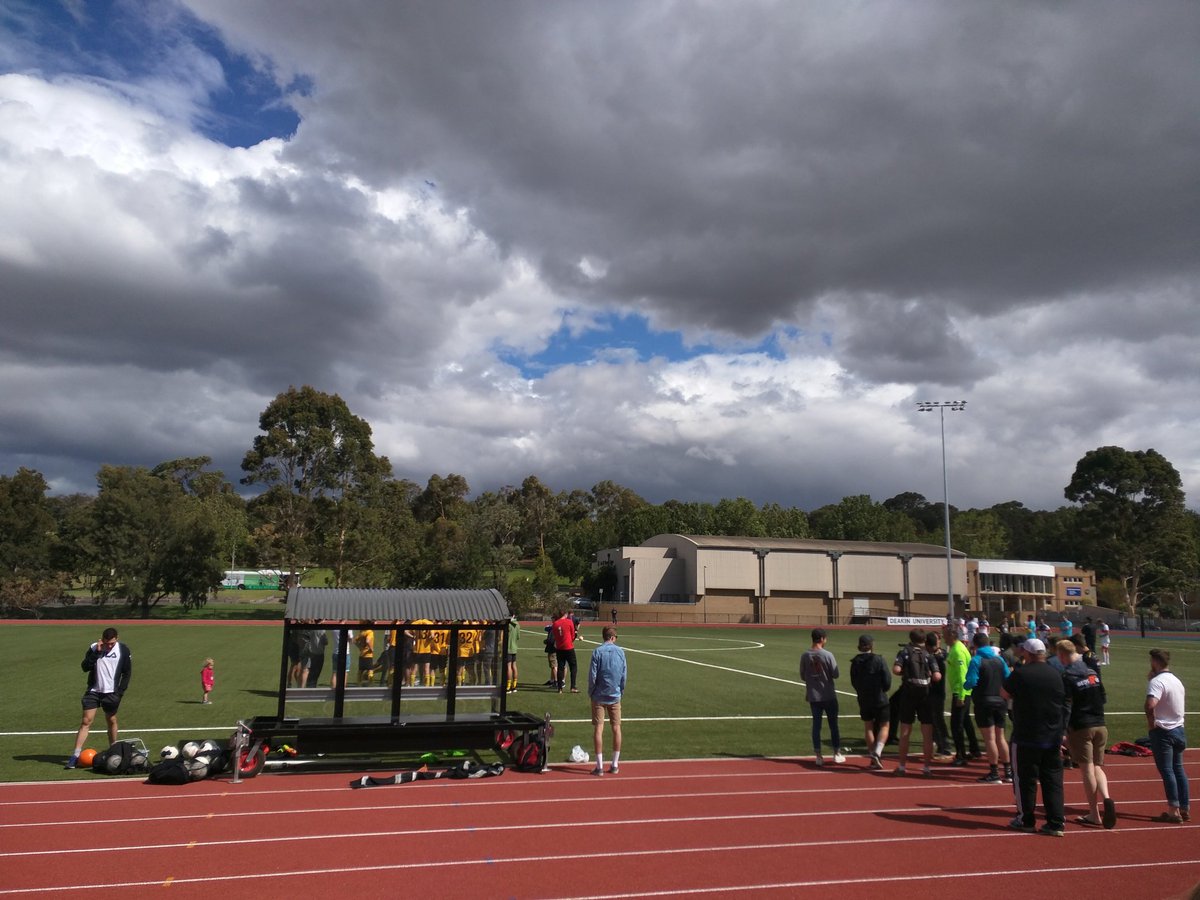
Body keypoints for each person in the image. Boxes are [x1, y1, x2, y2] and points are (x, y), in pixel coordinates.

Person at [1001, 638, 1066, 836]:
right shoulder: (1056, 673)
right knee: (1052, 780)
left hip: (1027, 735)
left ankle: (1026, 819)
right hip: (1052, 734)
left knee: (1025, 779)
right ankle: (1056, 822)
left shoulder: (1021, 673)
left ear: (1027, 654)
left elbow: (1004, 693)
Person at [1058, 639, 1115, 829]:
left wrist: (1061, 731)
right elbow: (1103, 697)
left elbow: (1066, 706)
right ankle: (1107, 797)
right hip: (1100, 723)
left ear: (1062, 655)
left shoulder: (1068, 676)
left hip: (1081, 726)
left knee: (1087, 769)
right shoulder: (1092, 673)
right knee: (1098, 767)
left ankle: (1094, 813)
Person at [65, 627, 132, 768]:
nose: (109, 646)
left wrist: (120, 693)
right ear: (102, 639)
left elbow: (127, 673)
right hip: (93, 691)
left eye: (112, 644)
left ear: (117, 639)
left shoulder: (123, 650)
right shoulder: (94, 648)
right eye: (107, 643)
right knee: (86, 721)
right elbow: (85, 667)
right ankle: (75, 755)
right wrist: (97, 652)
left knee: (111, 719)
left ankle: (114, 750)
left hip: (112, 693)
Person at [1145, 648, 1190, 823]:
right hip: (1179, 729)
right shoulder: (1176, 680)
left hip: (1163, 731)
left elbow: (1150, 704)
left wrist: (1151, 722)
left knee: (1167, 770)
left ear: (1155, 662)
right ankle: (1184, 807)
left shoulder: (1157, 682)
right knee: (1179, 769)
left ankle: (1173, 810)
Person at [892, 629, 941, 776]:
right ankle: (926, 768)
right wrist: (930, 676)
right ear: (924, 640)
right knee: (927, 732)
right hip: (925, 693)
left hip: (909, 692)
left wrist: (905, 672)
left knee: (905, 730)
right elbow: (937, 676)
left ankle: (901, 766)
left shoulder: (905, 652)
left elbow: (896, 669)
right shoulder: (929, 655)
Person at [965, 632, 1011, 784]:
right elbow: (1008, 677)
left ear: (975, 645)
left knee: (990, 738)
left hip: (984, 701)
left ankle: (994, 772)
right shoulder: (999, 659)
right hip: (1000, 701)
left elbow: (971, 682)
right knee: (1000, 737)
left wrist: (966, 685)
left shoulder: (976, 660)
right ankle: (1008, 771)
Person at [800, 628, 844, 765]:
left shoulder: (805, 655)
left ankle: (818, 755)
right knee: (833, 725)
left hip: (814, 695)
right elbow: (836, 674)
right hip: (829, 694)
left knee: (816, 725)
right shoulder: (828, 655)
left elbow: (802, 675)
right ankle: (836, 752)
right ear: (823, 638)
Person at [588, 626, 627, 776]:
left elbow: (592, 675)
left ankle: (599, 766)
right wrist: (620, 691)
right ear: (612, 637)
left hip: (599, 695)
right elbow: (624, 675)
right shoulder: (621, 652)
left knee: (599, 729)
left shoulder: (597, 652)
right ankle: (615, 763)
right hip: (614, 695)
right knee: (616, 728)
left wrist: (591, 691)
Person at [849, 634, 891, 769]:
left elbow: (854, 681)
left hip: (864, 698)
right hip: (879, 697)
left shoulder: (855, 661)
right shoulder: (879, 659)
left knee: (868, 726)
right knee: (884, 725)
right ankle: (877, 752)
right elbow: (887, 681)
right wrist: (883, 689)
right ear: (871, 646)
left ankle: (873, 756)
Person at [944, 628, 979, 766]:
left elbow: (962, 674)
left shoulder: (958, 651)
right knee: (965, 721)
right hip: (963, 691)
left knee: (956, 724)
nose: (943, 638)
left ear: (951, 636)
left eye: (945, 635)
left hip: (961, 692)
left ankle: (961, 755)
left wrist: (961, 695)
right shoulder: (957, 648)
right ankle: (974, 749)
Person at [925, 631, 952, 758]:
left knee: (937, 719)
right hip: (937, 692)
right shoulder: (941, 654)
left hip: (935, 691)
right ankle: (938, 742)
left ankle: (945, 746)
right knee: (933, 718)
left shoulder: (935, 657)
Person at [552, 609, 579, 693]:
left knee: (560, 667)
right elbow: (573, 635)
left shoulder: (555, 623)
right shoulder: (569, 622)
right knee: (573, 667)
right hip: (568, 647)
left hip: (559, 648)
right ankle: (573, 687)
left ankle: (560, 688)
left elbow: (555, 636)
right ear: (565, 614)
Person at [506, 614, 520, 693]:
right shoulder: (517, 624)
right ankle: (514, 685)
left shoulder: (508, 624)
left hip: (508, 648)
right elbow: (518, 637)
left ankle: (508, 686)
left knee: (508, 667)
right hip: (514, 648)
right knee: (514, 666)